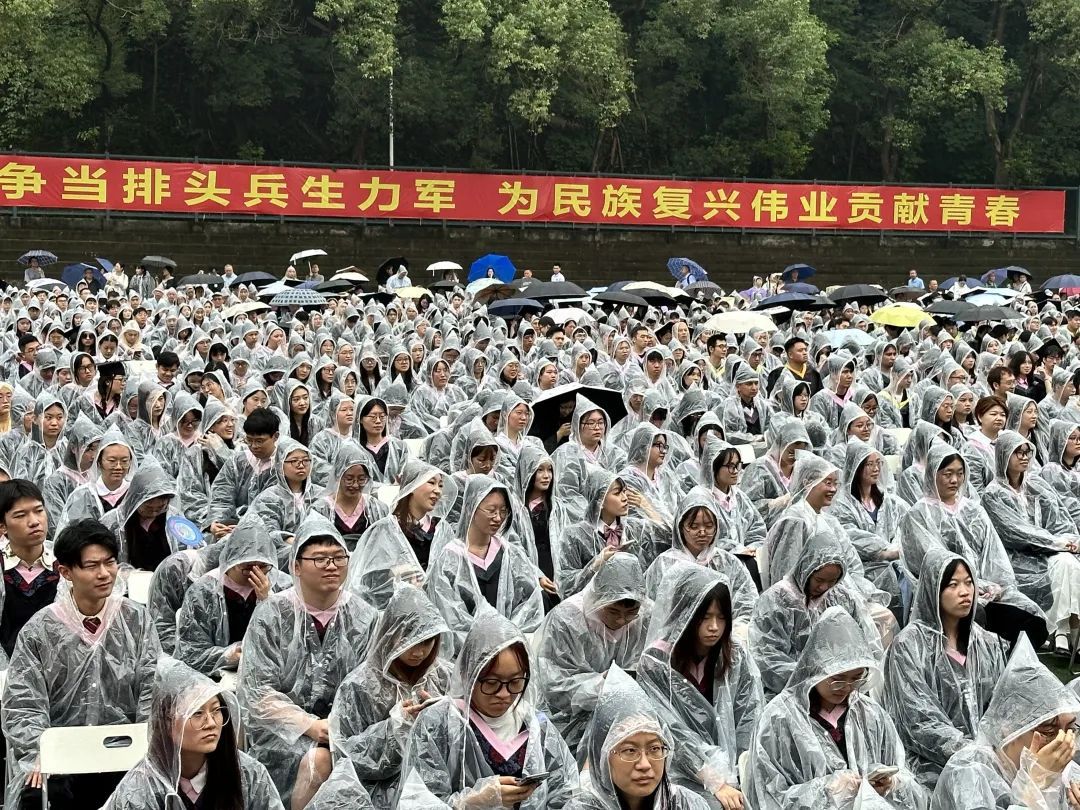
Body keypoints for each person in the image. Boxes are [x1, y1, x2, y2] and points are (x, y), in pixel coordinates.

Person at [2, 519, 160, 810]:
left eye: (110, 563)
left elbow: (153, 688)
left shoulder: (136, 620)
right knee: (37, 796)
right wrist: (40, 752)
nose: (104, 574)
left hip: (123, 748)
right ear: (65, 572)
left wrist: (147, 745)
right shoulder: (41, 630)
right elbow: (24, 704)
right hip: (63, 754)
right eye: (91, 566)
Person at [238, 515, 377, 808]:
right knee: (318, 761)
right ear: (296, 566)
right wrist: (311, 726)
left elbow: (371, 686)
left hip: (348, 731)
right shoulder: (272, 615)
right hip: (282, 734)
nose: (331, 565)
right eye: (320, 558)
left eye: (338, 556)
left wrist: (340, 726)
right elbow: (257, 691)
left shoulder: (364, 616)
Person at [745, 606, 927, 810]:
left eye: (856, 678)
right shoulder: (780, 718)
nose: (847, 688)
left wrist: (891, 783)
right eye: (837, 679)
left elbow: (902, 771)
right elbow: (767, 794)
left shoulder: (869, 714)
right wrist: (826, 791)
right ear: (816, 668)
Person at [397, 611, 578, 808]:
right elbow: (418, 802)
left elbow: (564, 793)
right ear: (468, 675)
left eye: (515, 681)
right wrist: (470, 802)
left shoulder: (537, 727)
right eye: (492, 682)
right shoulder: (437, 725)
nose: (504, 694)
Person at [899, 441, 1048, 648]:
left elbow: (993, 552)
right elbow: (936, 562)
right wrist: (975, 585)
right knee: (1009, 625)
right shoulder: (918, 515)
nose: (954, 480)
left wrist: (998, 586)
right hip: (948, 593)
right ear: (933, 473)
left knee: (1034, 622)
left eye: (960, 473)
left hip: (988, 591)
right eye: (947, 473)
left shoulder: (974, 510)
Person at [639, 564, 763, 809]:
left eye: (721, 617)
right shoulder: (657, 662)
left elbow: (749, 715)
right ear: (685, 614)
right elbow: (669, 730)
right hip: (680, 768)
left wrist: (741, 771)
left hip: (732, 769)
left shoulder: (735, 655)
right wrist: (714, 780)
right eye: (704, 617)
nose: (714, 627)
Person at [883, 548, 1008, 789]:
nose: (965, 592)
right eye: (953, 585)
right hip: (931, 763)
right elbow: (918, 721)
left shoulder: (987, 643)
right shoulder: (909, 645)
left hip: (989, 757)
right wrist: (970, 752)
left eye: (969, 583)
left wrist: (996, 746)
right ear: (933, 589)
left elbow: (1002, 704)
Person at [101, 656, 285, 809]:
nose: (211, 723)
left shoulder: (249, 774)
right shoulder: (142, 786)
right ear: (166, 722)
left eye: (216, 710)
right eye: (197, 713)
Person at [329, 585, 453, 807]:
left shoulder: (445, 676)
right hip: (378, 790)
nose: (418, 652)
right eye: (408, 642)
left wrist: (441, 715)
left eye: (426, 642)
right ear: (389, 635)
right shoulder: (359, 685)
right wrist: (395, 728)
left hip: (439, 784)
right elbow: (345, 755)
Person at [931, 636, 1080, 810]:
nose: (1062, 741)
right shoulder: (970, 772)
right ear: (1008, 728)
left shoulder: (1066, 773)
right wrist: (1034, 787)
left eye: (1070, 729)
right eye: (1048, 729)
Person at [536, 552, 650, 758]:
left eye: (630, 613)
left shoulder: (643, 618)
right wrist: (601, 686)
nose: (622, 620)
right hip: (569, 720)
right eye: (613, 612)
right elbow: (554, 685)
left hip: (628, 716)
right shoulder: (567, 621)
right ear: (598, 598)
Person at [980, 430, 1080, 647]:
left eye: (1027, 452)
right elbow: (1015, 533)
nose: (1024, 457)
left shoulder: (1035, 485)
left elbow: (1059, 518)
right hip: (1017, 557)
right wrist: (1058, 544)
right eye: (1018, 452)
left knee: (1068, 562)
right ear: (1004, 456)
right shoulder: (993, 494)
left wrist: (1069, 539)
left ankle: (1065, 630)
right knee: (1065, 562)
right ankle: (1065, 630)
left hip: (1050, 551)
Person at [425, 474, 544, 652]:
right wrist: (484, 644)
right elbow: (449, 617)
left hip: (510, 650)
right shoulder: (449, 559)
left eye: (503, 511)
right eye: (491, 510)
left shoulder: (511, 555)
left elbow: (530, 603)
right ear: (472, 508)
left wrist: (507, 638)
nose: (498, 517)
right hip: (466, 655)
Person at [174, 518, 289, 678]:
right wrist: (228, 656)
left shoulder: (281, 586)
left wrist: (267, 602)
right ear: (232, 561)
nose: (256, 572)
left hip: (268, 675)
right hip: (216, 678)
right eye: (248, 567)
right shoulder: (203, 592)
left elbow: (291, 643)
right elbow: (191, 653)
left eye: (263, 566)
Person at [0, 480, 58, 663]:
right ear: (2, 526)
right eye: (20, 515)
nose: (34, 522)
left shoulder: (64, 568)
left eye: (39, 511)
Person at [206, 407, 278, 536]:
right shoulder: (238, 461)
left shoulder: (284, 465)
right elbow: (222, 495)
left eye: (260, 441)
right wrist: (217, 523)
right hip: (231, 528)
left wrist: (245, 528)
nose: (254, 446)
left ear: (275, 437)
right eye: (249, 440)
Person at [309, 441, 389, 551]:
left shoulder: (377, 509)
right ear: (338, 475)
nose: (355, 485)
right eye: (349, 479)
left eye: (361, 479)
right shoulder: (320, 510)